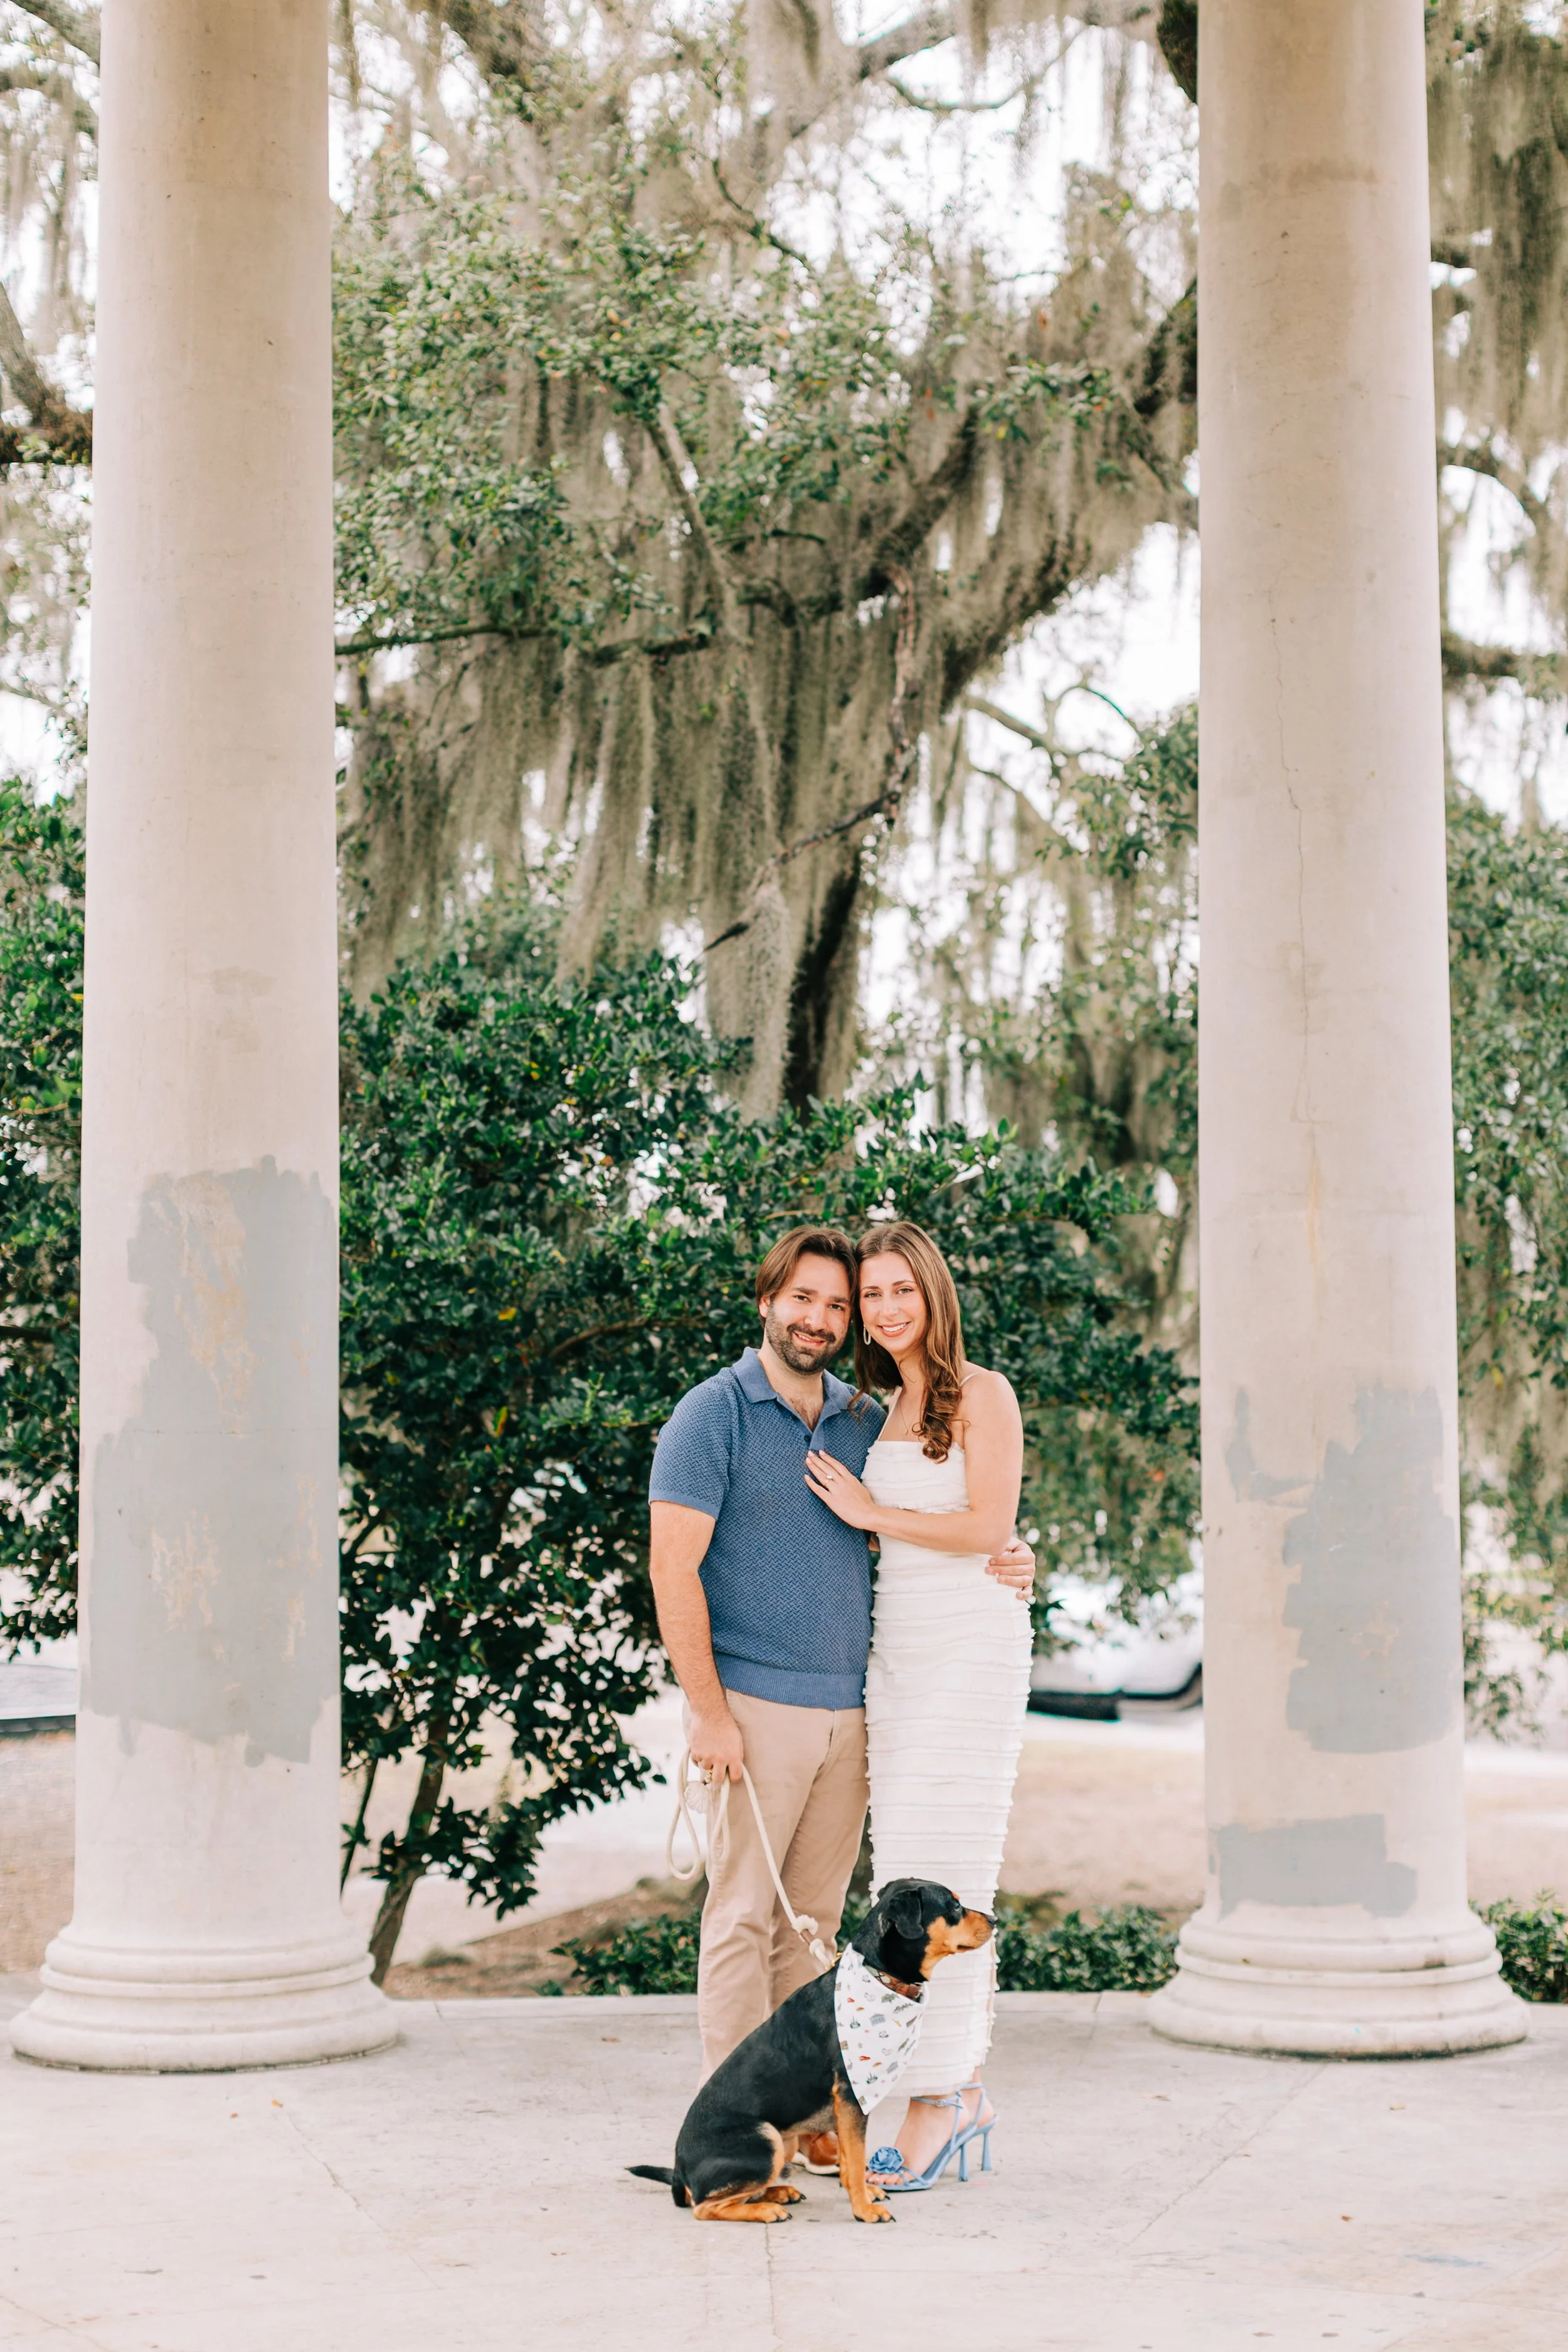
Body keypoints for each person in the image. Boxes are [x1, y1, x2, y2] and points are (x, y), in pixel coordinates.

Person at [647, 1225, 1035, 2177]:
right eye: (811, 1299)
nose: (827, 1317)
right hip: (754, 1703)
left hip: (861, 1702)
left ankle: (813, 2120)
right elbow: (672, 1567)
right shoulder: (712, 1415)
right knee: (743, 1915)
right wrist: (707, 1708)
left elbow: (959, 1515)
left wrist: (1014, 1555)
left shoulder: (868, 1415)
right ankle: (735, 2136)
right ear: (767, 1301)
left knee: (815, 1922)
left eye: (842, 1301)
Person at [803, 1219, 1033, 2191]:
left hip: (970, 1645)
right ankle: (928, 2086)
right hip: (896, 1652)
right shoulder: (875, 1405)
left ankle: (949, 2095)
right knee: (903, 1872)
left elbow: (989, 1524)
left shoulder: (983, 1391)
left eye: (904, 1288)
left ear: (934, 1292)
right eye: (875, 1293)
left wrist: (871, 1514)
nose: (890, 1307)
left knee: (955, 1863)